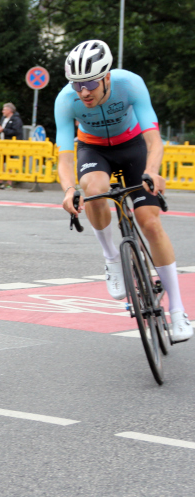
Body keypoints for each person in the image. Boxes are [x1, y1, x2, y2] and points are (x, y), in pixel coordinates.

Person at [55, 39, 192, 342]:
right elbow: (64, 157)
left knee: (150, 222)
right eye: (77, 85)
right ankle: (111, 258)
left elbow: (154, 140)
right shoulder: (66, 99)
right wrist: (68, 190)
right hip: (93, 150)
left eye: (91, 83)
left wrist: (152, 171)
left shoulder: (130, 84)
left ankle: (178, 312)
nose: (84, 92)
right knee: (94, 188)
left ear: (106, 77)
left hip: (133, 146)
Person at [0, 103, 24, 188]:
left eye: (4, 110)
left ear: (10, 110)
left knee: (10, 162)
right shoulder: (3, 118)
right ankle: (0, 180)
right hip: (3, 143)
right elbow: (2, 129)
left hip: (12, 144)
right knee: (1, 161)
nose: (2, 111)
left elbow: (16, 132)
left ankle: (9, 182)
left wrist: (3, 130)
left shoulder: (16, 119)